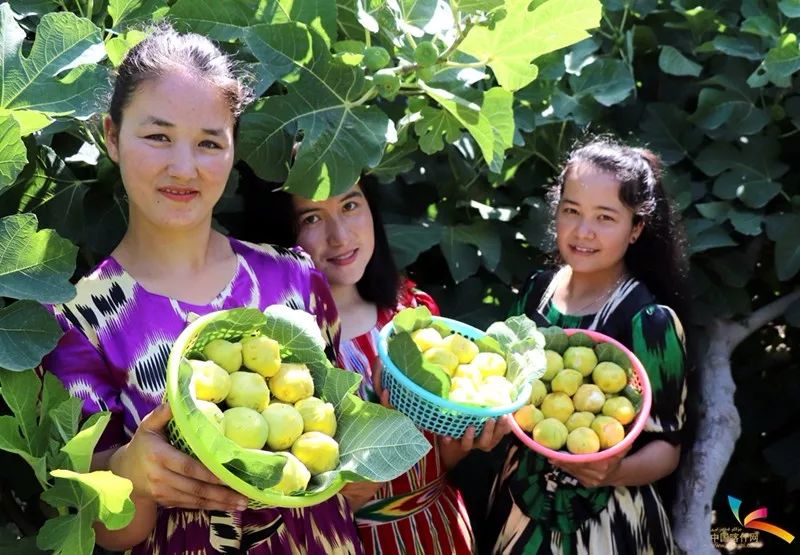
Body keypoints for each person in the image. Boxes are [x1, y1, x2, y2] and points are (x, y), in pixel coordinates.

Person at [41, 26, 363, 554]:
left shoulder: (295, 278)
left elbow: (342, 454)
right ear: (110, 136)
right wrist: (127, 473)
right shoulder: (79, 323)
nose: (184, 168)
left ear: (234, 148)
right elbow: (112, 534)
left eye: (209, 142)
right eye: (158, 136)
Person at [240, 175, 512, 554]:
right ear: (279, 231)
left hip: (440, 529)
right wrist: (346, 491)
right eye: (311, 219)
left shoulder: (413, 313)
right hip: (350, 542)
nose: (340, 235)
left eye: (350, 205)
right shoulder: (280, 353)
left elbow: (435, 460)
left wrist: (464, 440)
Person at [483, 137, 689, 554]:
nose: (583, 232)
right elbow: (504, 392)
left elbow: (667, 449)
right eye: (571, 211)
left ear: (636, 229)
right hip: (517, 507)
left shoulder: (649, 322)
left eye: (605, 218)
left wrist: (612, 471)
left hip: (607, 528)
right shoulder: (536, 292)